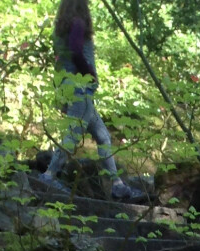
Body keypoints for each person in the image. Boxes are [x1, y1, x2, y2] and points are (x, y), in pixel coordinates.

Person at [40, 0, 141, 201]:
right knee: (73, 134)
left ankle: (117, 185)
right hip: (81, 89)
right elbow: (77, 52)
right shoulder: (78, 22)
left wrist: (62, 93)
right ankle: (49, 175)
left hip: (70, 88)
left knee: (103, 136)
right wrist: (90, 73)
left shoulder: (60, 29)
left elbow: (60, 62)